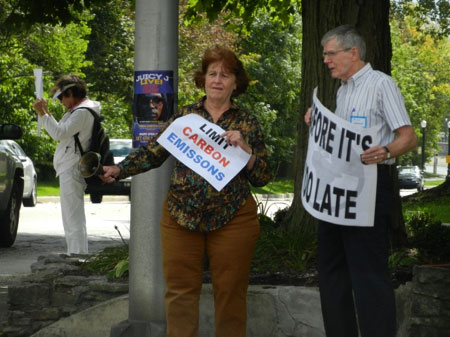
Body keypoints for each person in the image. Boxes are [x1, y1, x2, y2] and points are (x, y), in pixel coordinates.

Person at [102, 46, 272, 337]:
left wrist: (246, 151)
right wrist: (119, 169)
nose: (217, 80)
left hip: (233, 218)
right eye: (212, 74)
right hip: (181, 217)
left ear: (235, 83)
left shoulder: (247, 123)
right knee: (180, 295)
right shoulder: (184, 118)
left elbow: (263, 176)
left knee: (231, 294)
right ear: (203, 79)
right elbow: (152, 153)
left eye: (225, 75)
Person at [304, 25, 417, 337]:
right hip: (336, 189)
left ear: (352, 53)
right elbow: (345, 141)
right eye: (324, 54)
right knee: (330, 271)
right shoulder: (343, 90)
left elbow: (408, 137)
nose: (325, 60)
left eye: (330, 53)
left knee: (368, 274)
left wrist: (385, 151)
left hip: (369, 187)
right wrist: (320, 123)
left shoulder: (382, 85)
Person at [33, 74, 101, 255]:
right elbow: (61, 130)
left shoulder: (82, 112)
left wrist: (43, 113)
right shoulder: (81, 111)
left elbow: (59, 133)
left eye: (62, 97)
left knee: (73, 217)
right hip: (71, 165)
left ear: (70, 93)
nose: (62, 102)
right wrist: (46, 113)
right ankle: (77, 253)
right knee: (72, 216)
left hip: (72, 166)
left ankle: (77, 255)